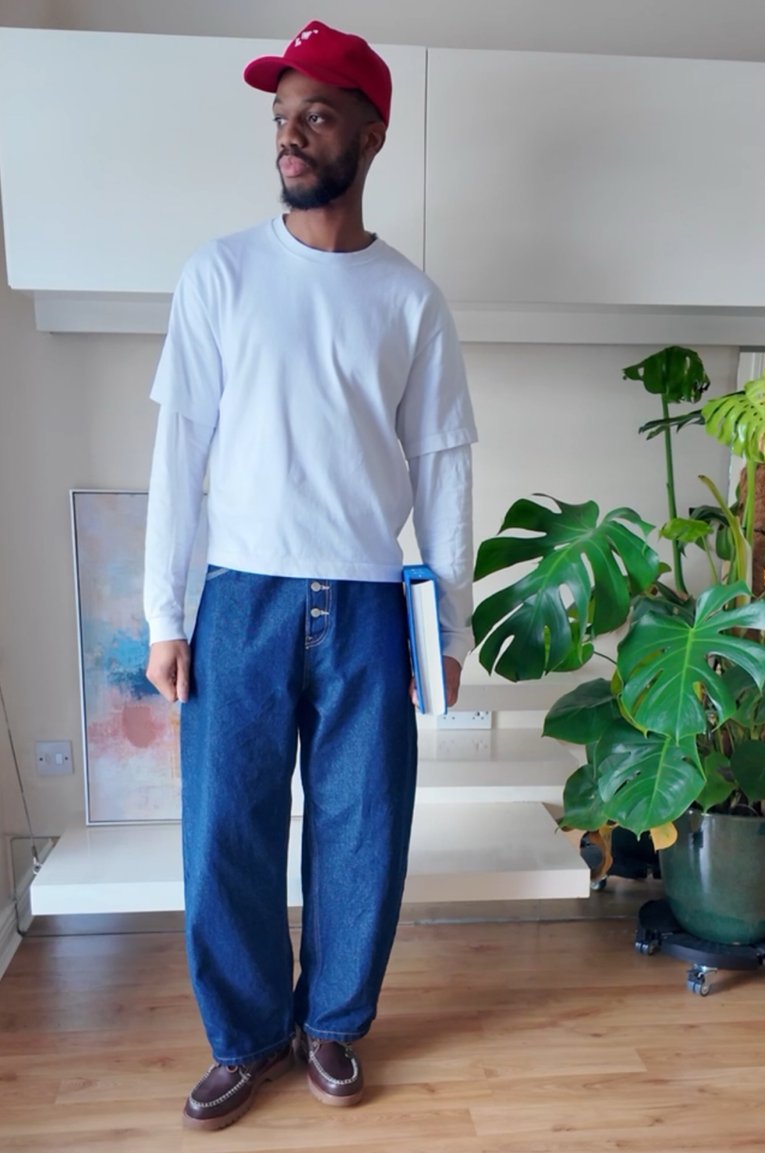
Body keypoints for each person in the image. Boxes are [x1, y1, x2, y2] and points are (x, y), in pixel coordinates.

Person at [143, 19, 477, 1132]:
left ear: (369, 135)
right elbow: (177, 453)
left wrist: (451, 626)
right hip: (239, 595)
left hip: (372, 601)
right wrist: (163, 611)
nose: (288, 137)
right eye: (279, 118)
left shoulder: (410, 302)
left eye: (314, 116)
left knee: (363, 823)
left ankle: (332, 1021)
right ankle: (245, 1037)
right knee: (226, 827)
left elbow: (440, 468)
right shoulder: (220, 273)